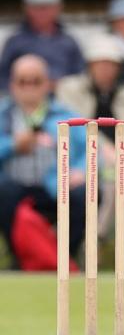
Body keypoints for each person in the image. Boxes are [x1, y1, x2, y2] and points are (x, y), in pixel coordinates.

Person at [56, 35, 124, 233]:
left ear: (118, 67)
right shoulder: (69, 89)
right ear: (90, 65)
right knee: (118, 168)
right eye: (100, 63)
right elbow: (69, 127)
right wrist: (102, 147)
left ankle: (97, 237)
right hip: (82, 160)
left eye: (110, 64)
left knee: (115, 176)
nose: (105, 69)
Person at [0, 55, 86, 267]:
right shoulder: (3, 115)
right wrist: (13, 145)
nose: (29, 87)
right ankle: (22, 257)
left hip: (55, 186)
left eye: (36, 81)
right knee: (5, 192)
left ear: (47, 83)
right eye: (22, 81)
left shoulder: (65, 115)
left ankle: (65, 257)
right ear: (12, 84)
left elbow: (91, 150)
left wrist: (81, 170)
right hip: (13, 187)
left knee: (83, 193)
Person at [0, 0, 85, 87]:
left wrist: (60, 85)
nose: (42, 13)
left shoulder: (69, 42)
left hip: (63, 98)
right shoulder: (15, 42)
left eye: (47, 7)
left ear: (59, 8)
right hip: (25, 99)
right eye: (36, 7)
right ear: (26, 8)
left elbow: (81, 77)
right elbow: (3, 80)